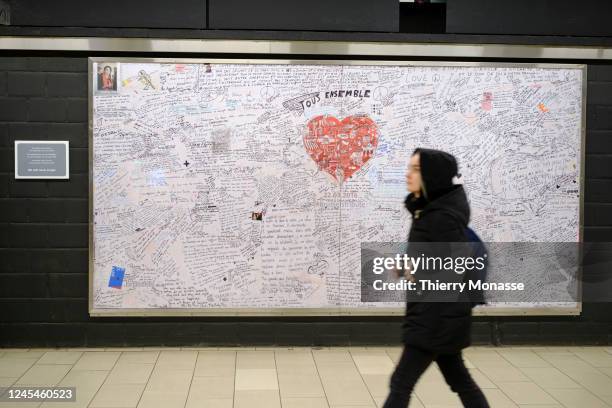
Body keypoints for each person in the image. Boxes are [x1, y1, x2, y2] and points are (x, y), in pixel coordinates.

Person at [382, 148, 490, 408]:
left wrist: (415, 271)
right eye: (409, 167)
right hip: (440, 316)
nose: (408, 174)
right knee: (460, 380)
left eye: (416, 169)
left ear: (433, 176)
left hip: (436, 317)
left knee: (401, 382)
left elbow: (454, 266)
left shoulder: (440, 217)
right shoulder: (429, 211)